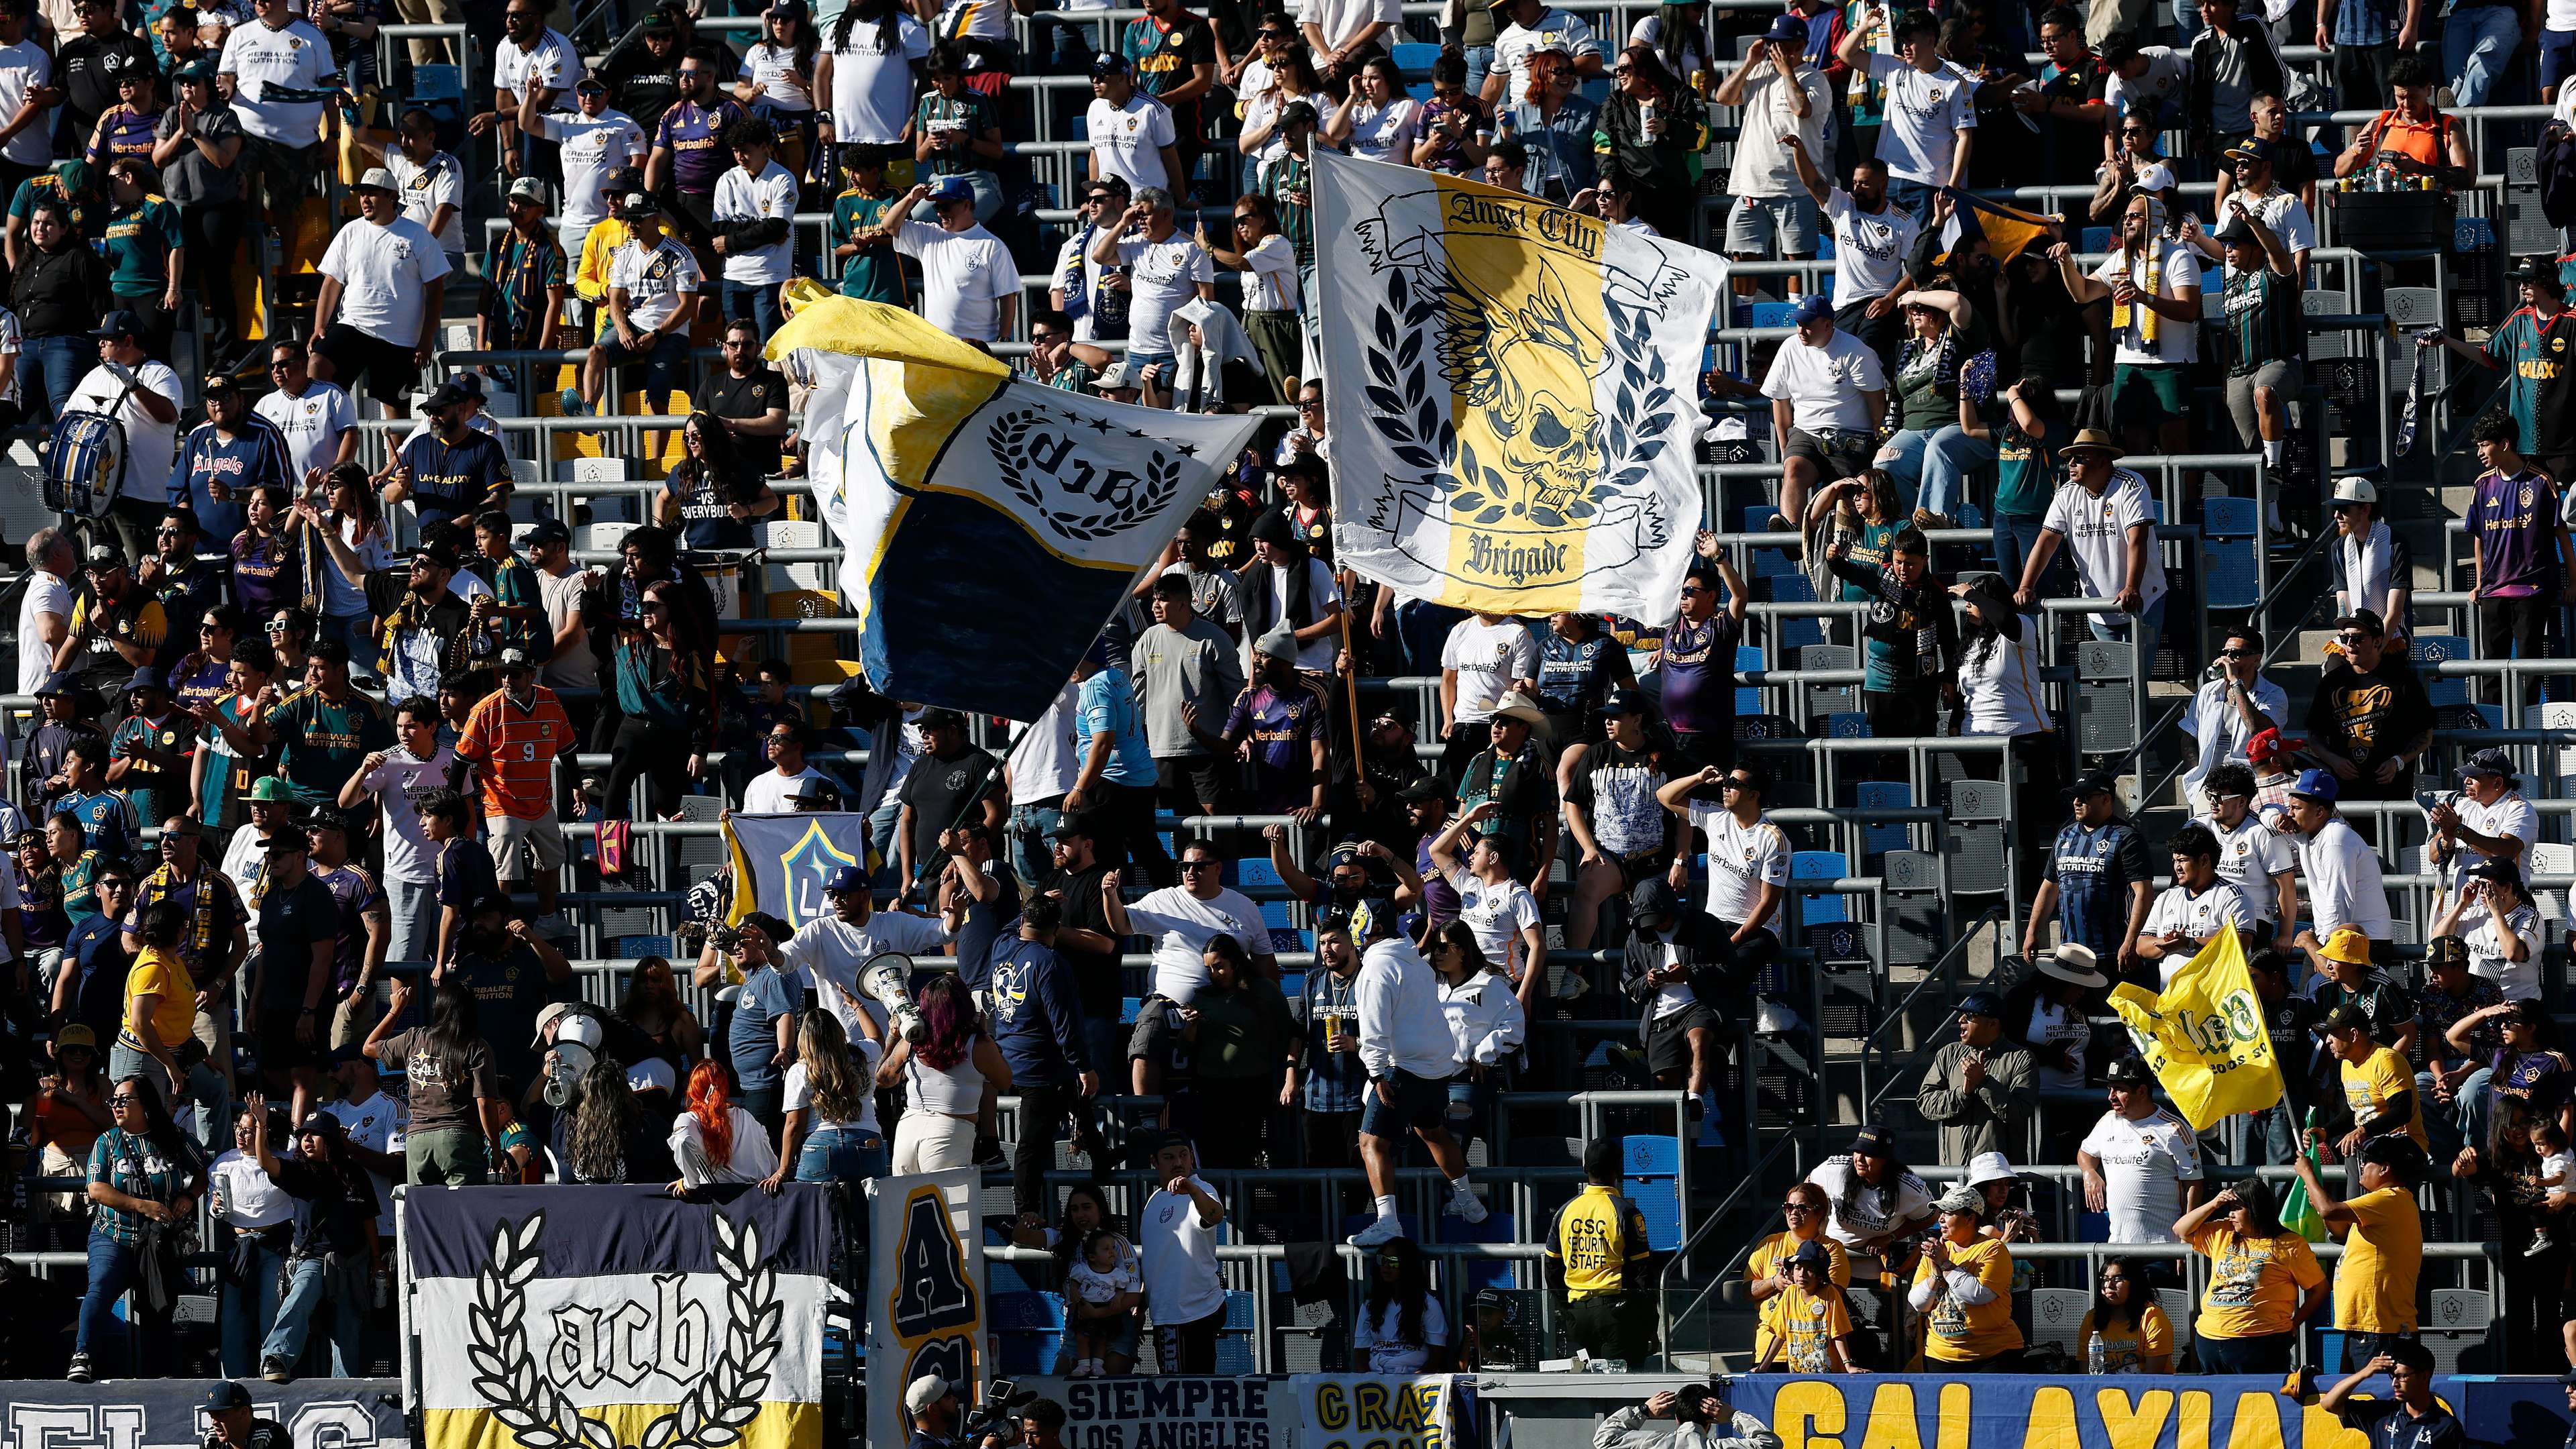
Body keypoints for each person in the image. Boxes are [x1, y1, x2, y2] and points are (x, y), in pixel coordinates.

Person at [69, 1074, 203, 1382]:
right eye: (112, 1101)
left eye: (124, 1100)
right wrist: (143, 1205)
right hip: (113, 1236)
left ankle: (160, 1376)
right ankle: (83, 1356)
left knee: (158, 1309)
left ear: (146, 1105)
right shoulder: (107, 1141)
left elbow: (203, 1171)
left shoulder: (174, 1138)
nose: (116, 1106)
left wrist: (188, 1196)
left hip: (157, 1244)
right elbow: (96, 1190)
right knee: (99, 1290)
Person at [309, 168, 448, 408]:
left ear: (392, 197)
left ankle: (397, 447)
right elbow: (332, 281)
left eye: (372, 193)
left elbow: (436, 290)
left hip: (399, 338)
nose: (364, 199)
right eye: (361, 194)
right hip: (355, 325)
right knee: (318, 363)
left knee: (395, 414)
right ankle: (327, 436)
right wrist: (320, 326)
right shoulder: (350, 231)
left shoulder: (418, 235)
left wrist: (426, 340)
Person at [1835, 5, 1975, 221]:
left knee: (1921, 253)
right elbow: (1846, 54)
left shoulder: (1955, 83)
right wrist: (1864, 28)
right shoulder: (1894, 67)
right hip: (1889, 180)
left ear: (1930, 40)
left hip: (1929, 185)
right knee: (1889, 252)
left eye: (1911, 40)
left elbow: (1964, 137)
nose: (1905, 47)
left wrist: (1953, 186)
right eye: (1902, 41)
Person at [1760, 293, 1886, 531]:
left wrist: (1876, 441)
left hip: (1850, 437)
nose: (1801, 331)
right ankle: (1792, 533)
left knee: (1845, 505)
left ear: (1828, 325)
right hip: (1806, 432)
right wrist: (1785, 448)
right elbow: (1780, 400)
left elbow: (1876, 401)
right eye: (1799, 324)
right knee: (1794, 468)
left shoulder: (1855, 351)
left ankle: (1828, 540)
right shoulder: (1789, 348)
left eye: (1808, 325)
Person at [2175, 1176, 2327, 1371]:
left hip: (2261, 1342)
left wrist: (2294, 1323)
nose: (2231, 1214)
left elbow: (2319, 1289)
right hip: (2209, 1339)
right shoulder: (2223, 1231)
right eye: (2230, 1208)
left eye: (2238, 1208)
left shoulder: (2290, 1244)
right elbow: (2180, 1229)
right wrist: (2213, 1204)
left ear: (2256, 1209)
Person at [572, 192, 700, 414]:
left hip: (669, 334)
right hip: (633, 326)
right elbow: (615, 299)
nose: (631, 224)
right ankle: (588, 409)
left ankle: (657, 452)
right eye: (627, 218)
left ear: (654, 219)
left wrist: (656, 335)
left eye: (638, 218)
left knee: (655, 399)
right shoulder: (624, 253)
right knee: (595, 352)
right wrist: (622, 329)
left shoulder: (680, 255)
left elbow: (688, 306)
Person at [1715, 19, 1828, 264]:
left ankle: (1800, 304)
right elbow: (1723, 98)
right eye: (1771, 42)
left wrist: (1788, 71)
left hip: (1795, 188)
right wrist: (1748, 63)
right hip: (1750, 187)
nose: (1774, 49)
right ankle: (1743, 305)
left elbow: (1801, 109)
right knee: (1742, 260)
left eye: (1780, 43)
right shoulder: (1758, 71)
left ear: (1799, 46)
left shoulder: (1815, 78)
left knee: (1799, 261)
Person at [2022, 771, 2154, 979]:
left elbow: (2143, 893)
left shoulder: (2126, 838)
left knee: (2110, 1011)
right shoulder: (2066, 835)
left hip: (2113, 953)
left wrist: (2130, 942)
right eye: (2074, 797)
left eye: (2084, 797)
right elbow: (2049, 887)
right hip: (2071, 953)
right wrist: (2032, 931)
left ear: (2106, 799)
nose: (2076, 802)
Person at [877, 975, 1010, 1172]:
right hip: (949, 1134)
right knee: (949, 1203)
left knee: (903, 1202)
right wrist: (988, 1041)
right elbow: (1004, 1081)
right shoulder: (979, 1044)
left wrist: (893, 1037)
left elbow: (882, 1079)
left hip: (907, 1131)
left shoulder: (913, 1040)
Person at [1546, 1136, 1658, 1365]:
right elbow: (1643, 1275)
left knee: (1587, 1391)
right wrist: (1649, 1323)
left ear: (1585, 1168)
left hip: (1577, 1316)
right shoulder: (1626, 1212)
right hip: (1616, 1315)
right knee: (1624, 1389)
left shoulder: (1565, 1212)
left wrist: (1567, 1309)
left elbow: (1552, 1268)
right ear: (1618, 1168)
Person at [2078, 1056, 2205, 1244]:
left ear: (2142, 1091)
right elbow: (2085, 1152)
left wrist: (2186, 1239)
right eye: (2110, 1089)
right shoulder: (2108, 1121)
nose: (2111, 1097)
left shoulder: (2174, 1129)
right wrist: (2088, 1172)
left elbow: (2194, 1186)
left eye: (2120, 1090)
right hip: (2118, 1246)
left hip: (2162, 1246)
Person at [1135, 1132, 1226, 1372]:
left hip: (1194, 1310)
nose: (1178, 1163)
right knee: (1180, 1395)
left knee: (1190, 1394)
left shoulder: (1202, 1189)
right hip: (1166, 1314)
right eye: (1169, 1157)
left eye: (1183, 1155)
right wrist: (1141, 1305)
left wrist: (1193, 1191)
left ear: (1192, 1159)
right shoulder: (1153, 1200)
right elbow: (1155, 1259)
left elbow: (1215, 1215)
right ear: (1154, 1162)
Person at [1907, 1181, 2022, 1371]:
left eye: (1950, 1213)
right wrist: (1936, 1274)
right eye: (1941, 1213)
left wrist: (1945, 1264)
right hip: (1940, 1355)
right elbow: (1919, 1303)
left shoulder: (1993, 1249)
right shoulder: (1937, 1250)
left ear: (1970, 1219)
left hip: (1992, 1355)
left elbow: (1978, 1295)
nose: (1942, 1219)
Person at [2137, 824, 2250, 980]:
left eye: (2183, 860)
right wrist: (2168, 942)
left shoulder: (2232, 896)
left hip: (2212, 999)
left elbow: (2241, 943)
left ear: (2204, 860)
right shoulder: (2167, 897)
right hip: (2171, 999)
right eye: (2175, 861)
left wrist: (2190, 943)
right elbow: (2142, 946)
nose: (2177, 867)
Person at [2309, 1342, 2466, 1449]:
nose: (2395, 1384)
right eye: (2393, 1376)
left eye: (2402, 1376)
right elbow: (2329, 1404)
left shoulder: (2446, 1427)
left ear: (2425, 1376)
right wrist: (2364, 1373)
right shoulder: (2382, 1413)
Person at [669, 1059, 780, 1191]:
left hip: (718, 1201)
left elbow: (683, 1141)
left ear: (693, 1089)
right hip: (756, 1196)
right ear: (725, 1087)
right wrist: (777, 1174)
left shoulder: (689, 1119)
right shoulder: (745, 1116)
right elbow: (768, 1155)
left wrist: (689, 1183)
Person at [1590, 1384, 1780, 1449]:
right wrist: (1732, 1416)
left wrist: (1643, 1410)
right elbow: (1770, 1443)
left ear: (1677, 1419)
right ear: (1712, 1421)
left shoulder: (1652, 1443)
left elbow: (1604, 1440)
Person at [1062, 1226, 1143, 1379]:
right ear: (1092, 1257)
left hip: (1107, 1311)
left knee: (1102, 1339)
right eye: (1106, 1249)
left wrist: (1118, 1298)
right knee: (1082, 1338)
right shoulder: (1082, 1269)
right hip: (1084, 1311)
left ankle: (1098, 1365)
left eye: (1113, 1248)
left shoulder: (1118, 1274)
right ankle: (1084, 1365)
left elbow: (1123, 1289)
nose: (1112, 1252)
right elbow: (1073, 1281)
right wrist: (1074, 1291)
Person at [2076, 1256, 2173, 1372]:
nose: (2108, 1285)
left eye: (2117, 1279)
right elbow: (2086, 1373)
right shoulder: (2091, 1318)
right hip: (2102, 1389)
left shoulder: (2152, 1317)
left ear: (2135, 1283)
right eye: (2105, 1279)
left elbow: (2153, 1376)